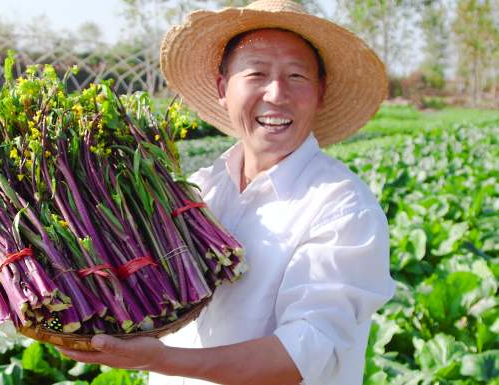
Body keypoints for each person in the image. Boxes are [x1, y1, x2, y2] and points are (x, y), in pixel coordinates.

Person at [58, 1, 396, 384]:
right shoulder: (199, 188)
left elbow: (301, 355)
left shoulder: (343, 208)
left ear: (320, 93)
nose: (276, 93)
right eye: (256, 73)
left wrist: (160, 359)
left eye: (296, 76)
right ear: (223, 88)